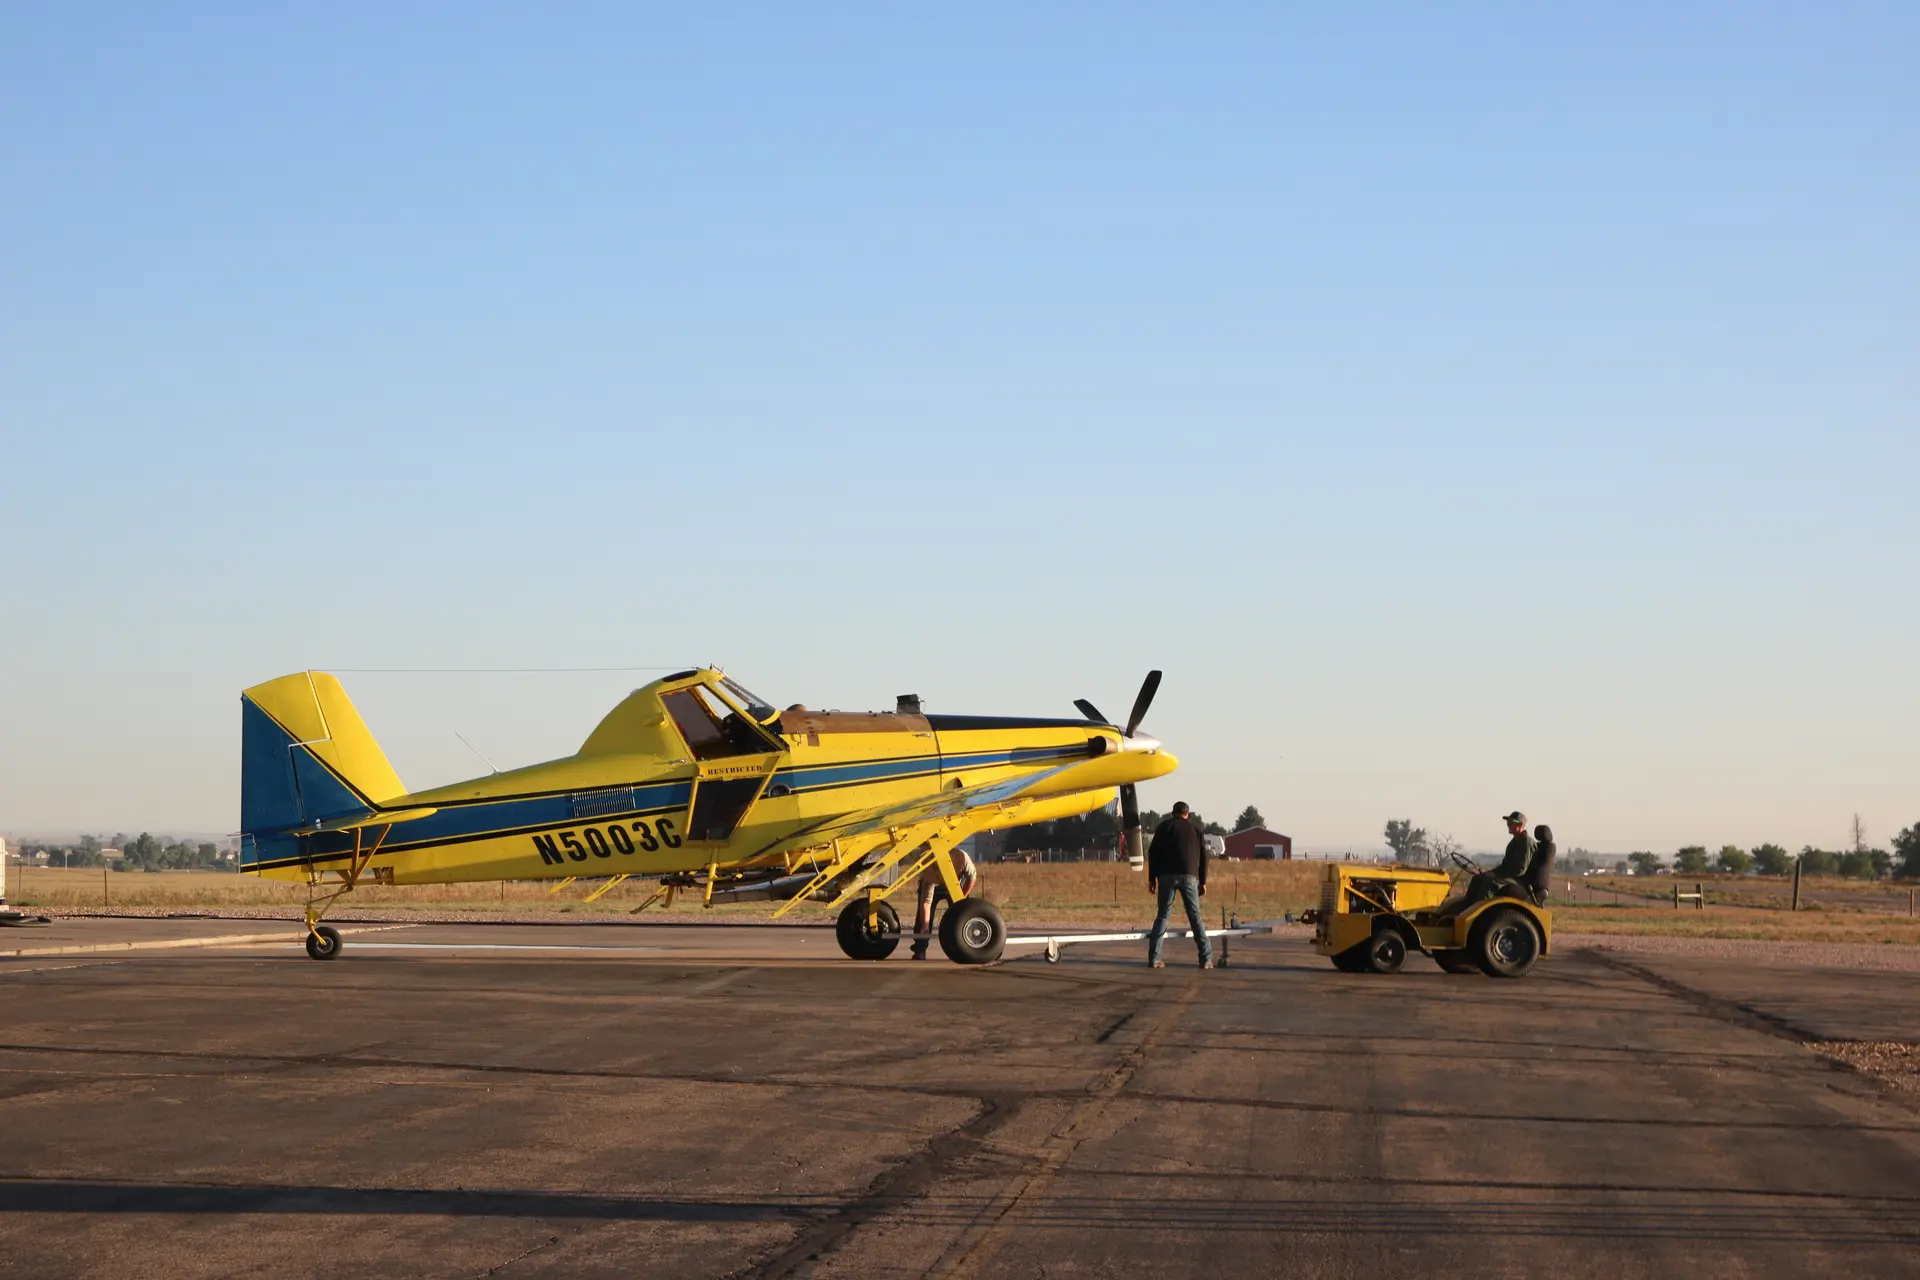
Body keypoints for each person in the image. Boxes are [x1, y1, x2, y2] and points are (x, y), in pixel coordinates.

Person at [1146, 801, 1212, 969]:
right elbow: (1204, 857)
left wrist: (1152, 878)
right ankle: (1206, 959)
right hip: (1189, 876)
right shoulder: (1195, 830)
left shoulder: (1163, 828)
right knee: (1195, 917)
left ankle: (1154, 958)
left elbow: (1152, 853)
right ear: (1187, 814)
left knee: (1163, 916)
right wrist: (1203, 881)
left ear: (1173, 813)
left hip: (1166, 876)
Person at [909, 843, 978, 960]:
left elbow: (972, 877)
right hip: (934, 886)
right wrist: (925, 926)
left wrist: (962, 897)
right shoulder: (928, 868)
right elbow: (926, 902)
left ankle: (967, 945)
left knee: (963, 914)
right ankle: (920, 949)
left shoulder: (962, 857)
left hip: (954, 885)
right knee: (922, 921)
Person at [1463, 810, 1538, 906]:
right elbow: (1505, 865)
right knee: (1478, 878)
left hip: (1521, 880)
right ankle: (1467, 907)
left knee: (1490, 882)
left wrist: (1497, 875)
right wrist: (1491, 872)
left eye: (1511, 822)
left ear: (1519, 824)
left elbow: (1520, 870)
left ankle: (1482, 911)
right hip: (1511, 876)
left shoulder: (1526, 843)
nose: (1508, 824)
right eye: (1508, 822)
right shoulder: (1513, 843)